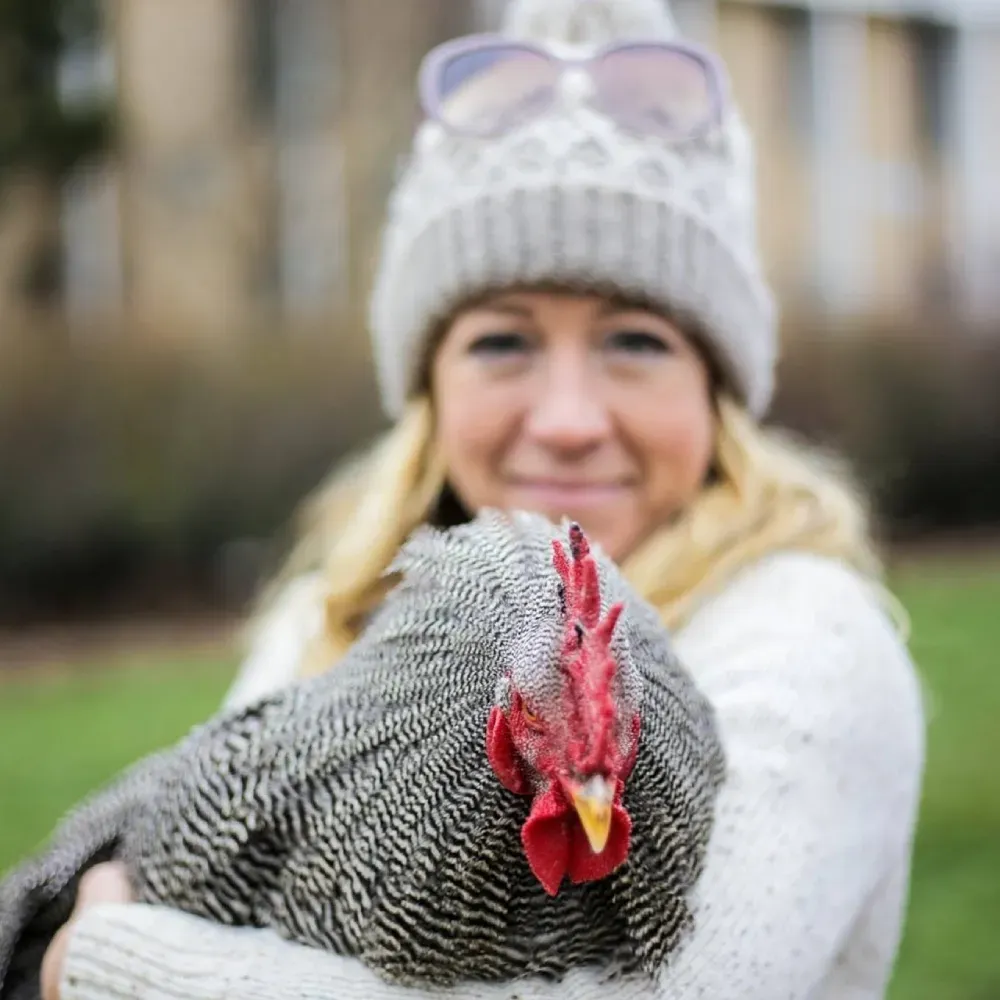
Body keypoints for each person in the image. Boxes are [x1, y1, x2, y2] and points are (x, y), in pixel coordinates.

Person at [38, 1, 926, 998]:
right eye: (502, 341)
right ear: (428, 386)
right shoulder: (331, 609)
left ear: (717, 387)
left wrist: (114, 961)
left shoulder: (808, 642)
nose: (566, 418)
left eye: (635, 340)